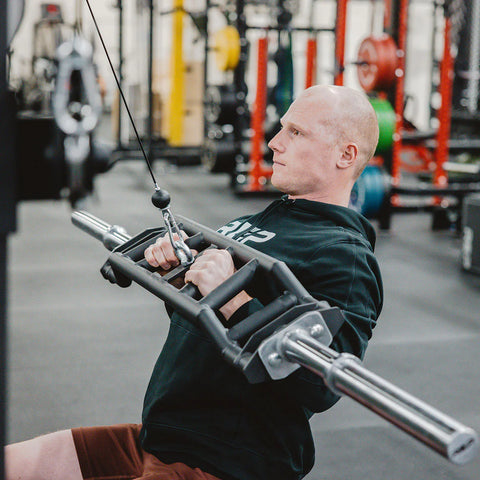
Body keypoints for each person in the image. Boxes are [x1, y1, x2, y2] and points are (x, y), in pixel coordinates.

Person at [6, 85, 383, 480]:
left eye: (296, 133)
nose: (274, 142)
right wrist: (176, 263)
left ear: (346, 154)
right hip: (157, 439)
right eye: (282, 129)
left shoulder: (346, 256)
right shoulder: (259, 221)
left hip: (223, 462)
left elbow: (321, 384)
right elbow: (197, 314)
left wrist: (232, 296)